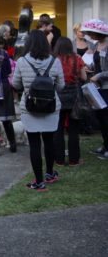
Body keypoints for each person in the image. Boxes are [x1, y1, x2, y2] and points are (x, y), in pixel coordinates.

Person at [12, 30, 65, 191]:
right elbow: (61, 86)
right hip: (51, 107)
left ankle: (39, 181)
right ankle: (49, 173)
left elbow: (16, 84)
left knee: (34, 144)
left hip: (30, 108)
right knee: (49, 140)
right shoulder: (55, 61)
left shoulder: (22, 61)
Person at [53, 37, 87, 166]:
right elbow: (83, 77)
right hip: (74, 97)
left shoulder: (54, 60)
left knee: (58, 129)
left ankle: (59, 159)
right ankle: (74, 160)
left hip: (58, 96)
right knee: (73, 129)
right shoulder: (77, 58)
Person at [81, 19, 108, 159]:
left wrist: (99, 76)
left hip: (106, 87)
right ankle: (105, 144)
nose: (89, 36)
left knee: (106, 118)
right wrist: (89, 68)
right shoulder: (97, 45)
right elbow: (97, 63)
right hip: (98, 88)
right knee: (101, 117)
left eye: (91, 33)